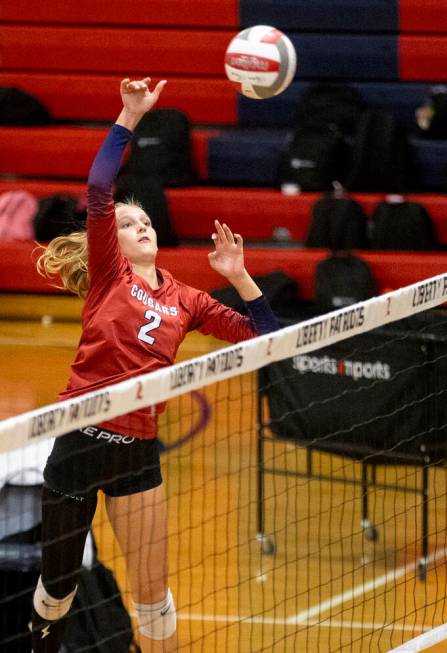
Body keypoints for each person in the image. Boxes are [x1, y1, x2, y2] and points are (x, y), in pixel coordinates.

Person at [31, 77, 279, 653]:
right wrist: (129, 114)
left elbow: (267, 341)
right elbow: (98, 186)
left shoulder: (186, 297)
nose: (142, 226)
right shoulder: (109, 276)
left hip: (138, 449)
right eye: (128, 224)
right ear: (111, 243)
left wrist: (240, 276)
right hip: (82, 435)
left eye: (146, 222)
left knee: (154, 593)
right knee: (59, 588)